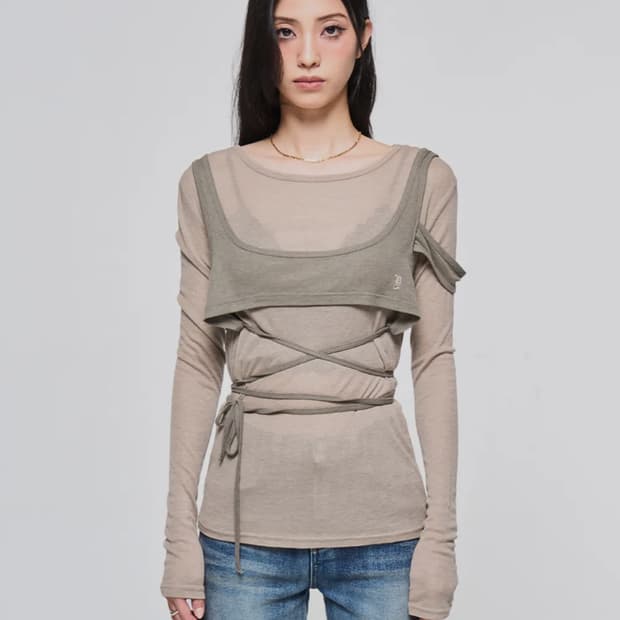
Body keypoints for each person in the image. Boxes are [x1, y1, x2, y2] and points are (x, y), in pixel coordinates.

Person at [159, 1, 466, 619]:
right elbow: (197, 361)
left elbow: (433, 360)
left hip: (387, 537)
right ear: (261, 41)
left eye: (330, 29)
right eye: (284, 31)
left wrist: (441, 541)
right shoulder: (208, 182)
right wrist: (178, 540)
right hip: (241, 542)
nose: (306, 55)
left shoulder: (423, 179)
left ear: (363, 38)